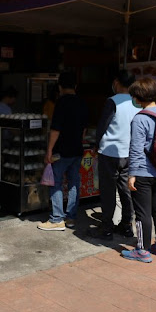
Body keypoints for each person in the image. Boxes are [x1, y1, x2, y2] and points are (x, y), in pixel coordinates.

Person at [121, 78, 156, 263]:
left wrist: (131, 174)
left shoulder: (140, 118)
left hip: (143, 172)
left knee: (142, 213)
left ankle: (142, 250)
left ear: (139, 96)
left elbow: (136, 148)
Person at [88, 69, 139, 240]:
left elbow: (102, 126)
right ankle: (126, 225)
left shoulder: (112, 101)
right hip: (128, 153)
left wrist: (96, 144)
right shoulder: (137, 103)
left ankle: (107, 228)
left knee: (108, 191)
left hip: (110, 152)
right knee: (126, 191)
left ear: (116, 82)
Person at [39, 71, 88, 231]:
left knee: (57, 183)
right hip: (77, 149)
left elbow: (55, 129)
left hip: (62, 151)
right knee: (74, 183)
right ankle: (71, 218)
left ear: (60, 86)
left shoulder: (61, 102)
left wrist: (49, 150)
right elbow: (84, 129)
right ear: (75, 86)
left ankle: (56, 219)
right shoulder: (82, 102)